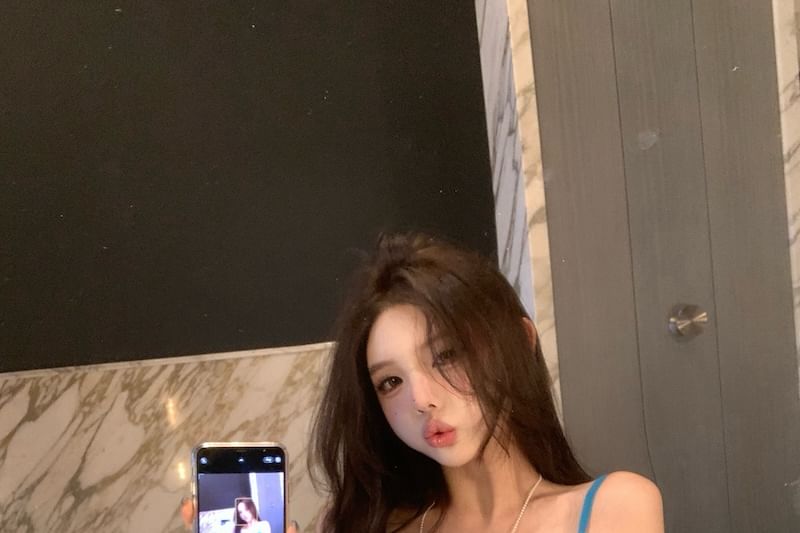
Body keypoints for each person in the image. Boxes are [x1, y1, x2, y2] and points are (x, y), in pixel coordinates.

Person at [310, 233, 663, 532]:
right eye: (390, 381)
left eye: (446, 355)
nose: (421, 399)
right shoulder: (371, 525)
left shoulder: (613, 508)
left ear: (520, 342)